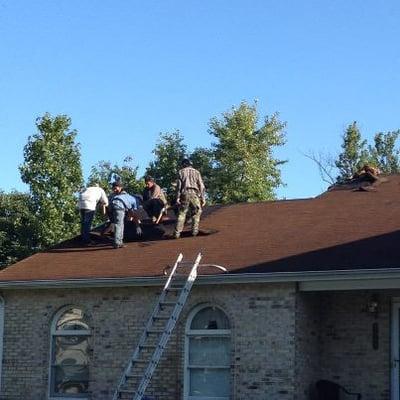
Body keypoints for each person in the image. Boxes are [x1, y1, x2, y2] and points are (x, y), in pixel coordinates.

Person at [174, 158, 206, 239]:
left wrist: (177, 197)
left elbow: (178, 186)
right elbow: (201, 186)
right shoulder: (197, 172)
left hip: (184, 194)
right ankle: (194, 231)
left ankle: (177, 233)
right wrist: (203, 198)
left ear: (184, 164)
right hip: (195, 195)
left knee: (182, 213)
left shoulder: (181, 172)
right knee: (196, 212)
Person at [109, 181, 141, 249]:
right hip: (119, 206)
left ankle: (120, 242)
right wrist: (138, 226)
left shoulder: (126, 196)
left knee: (120, 224)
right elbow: (133, 213)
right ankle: (117, 242)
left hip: (113, 205)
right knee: (119, 224)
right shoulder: (134, 200)